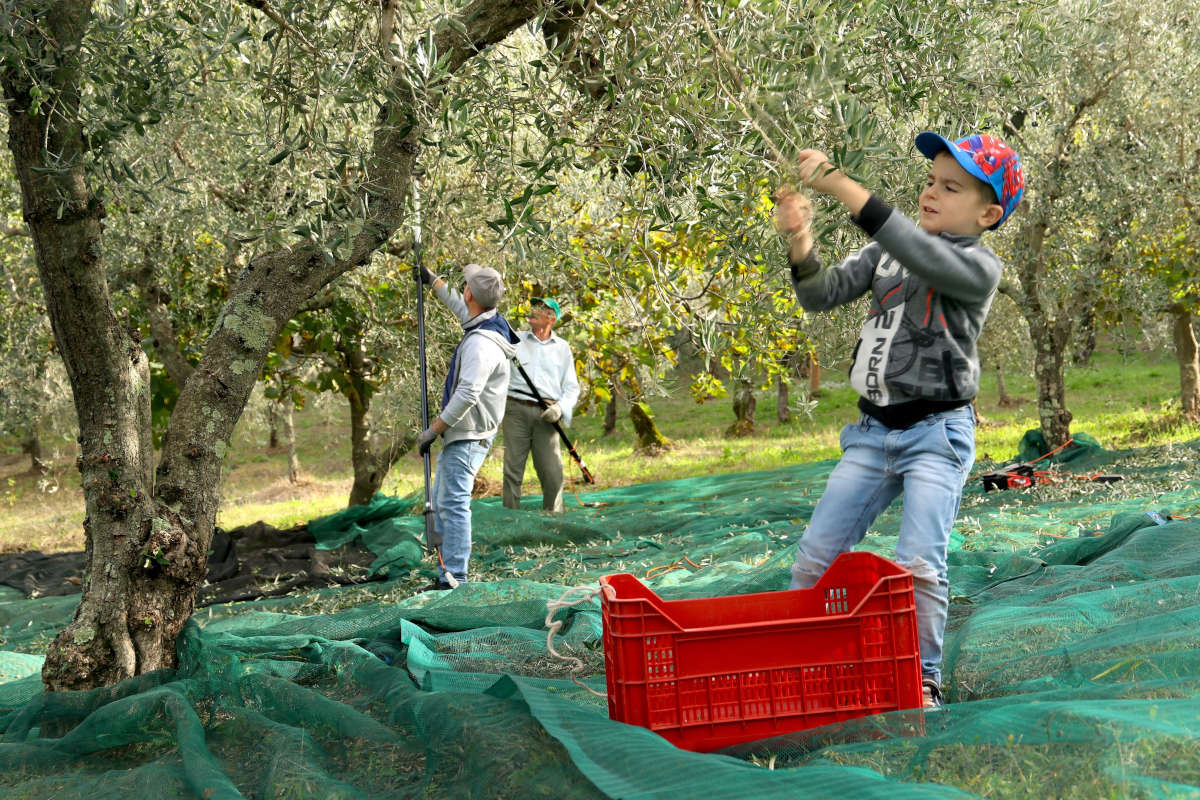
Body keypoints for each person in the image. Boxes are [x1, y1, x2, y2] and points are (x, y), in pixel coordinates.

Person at [773, 133, 1025, 707]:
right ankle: (801, 664)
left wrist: (838, 183)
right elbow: (819, 294)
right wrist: (800, 236)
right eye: (931, 181)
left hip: (937, 435)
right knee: (817, 554)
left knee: (918, 565)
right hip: (871, 435)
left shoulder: (978, 266)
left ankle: (924, 679)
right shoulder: (888, 254)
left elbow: (918, 251)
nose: (931, 192)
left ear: (987, 214)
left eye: (950, 187)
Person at [416, 262, 520, 590]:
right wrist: (433, 282)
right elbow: (459, 307)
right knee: (445, 498)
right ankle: (448, 572)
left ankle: (454, 577)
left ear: (471, 292)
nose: (462, 291)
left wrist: (434, 430)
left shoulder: (480, 344)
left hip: (469, 433)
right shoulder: (488, 323)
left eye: (464, 286)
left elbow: (468, 393)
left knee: (453, 503)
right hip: (472, 430)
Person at [502, 297, 580, 513]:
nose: (533, 310)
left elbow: (572, 388)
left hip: (547, 414)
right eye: (533, 306)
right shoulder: (515, 339)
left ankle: (553, 522)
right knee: (512, 471)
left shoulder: (562, 348)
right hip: (515, 408)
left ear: (552, 318)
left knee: (552, 473)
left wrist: (560, 409)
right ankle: (510, 521)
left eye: (541, 308)